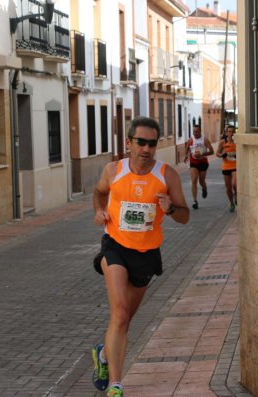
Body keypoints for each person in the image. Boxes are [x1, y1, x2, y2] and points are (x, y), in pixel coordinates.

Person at [91, 116, 190, 397]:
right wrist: (99, 211)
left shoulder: (167, 175)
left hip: (146, 253)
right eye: (141, 142)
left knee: (124, 319)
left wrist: (171, 209)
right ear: (129, 142)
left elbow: (184, 216)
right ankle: (116, 384)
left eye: (152, 143)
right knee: (120, 313)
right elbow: (99, 193)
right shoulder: (113, 170)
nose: (146, 149)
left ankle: (105, 357)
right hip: (115, 246)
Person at [184, 124, 214, 209]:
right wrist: (186, 156)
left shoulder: (205, 140)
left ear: (200, 131)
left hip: (203, 163)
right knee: (194, 180)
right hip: (193, 163)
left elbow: (212, 151)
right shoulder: (191, 139)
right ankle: (195, 201)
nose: (195, 133)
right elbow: (187, 148)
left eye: (197, 131)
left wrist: (203, 154)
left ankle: (204, 187)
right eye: (194, 131)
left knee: (201, 182)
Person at [216, 125, 237, 212]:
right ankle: (231, 203)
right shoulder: (222, 142)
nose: (230, 133)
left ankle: (236, 195)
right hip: (226, 166)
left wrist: (237, 155)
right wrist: (222, 155)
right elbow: (217, 153)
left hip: (235, 166)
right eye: (229, 131)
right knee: (228, 187)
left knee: (234, 184)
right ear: (226, 132)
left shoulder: (237, 142)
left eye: (232, 131)